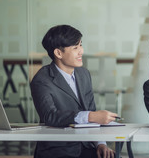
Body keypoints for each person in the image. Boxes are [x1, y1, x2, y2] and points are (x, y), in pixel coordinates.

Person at [30, 25, 118, 158]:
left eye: (81, 45)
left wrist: (101, 143)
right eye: (75, 48)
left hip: (87, 147)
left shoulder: (84, 74)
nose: (81, 51)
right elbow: (50, 116)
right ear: (58, 53)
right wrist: (90, 116)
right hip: (58, 150)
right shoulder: (42, 79)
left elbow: (91, 109)